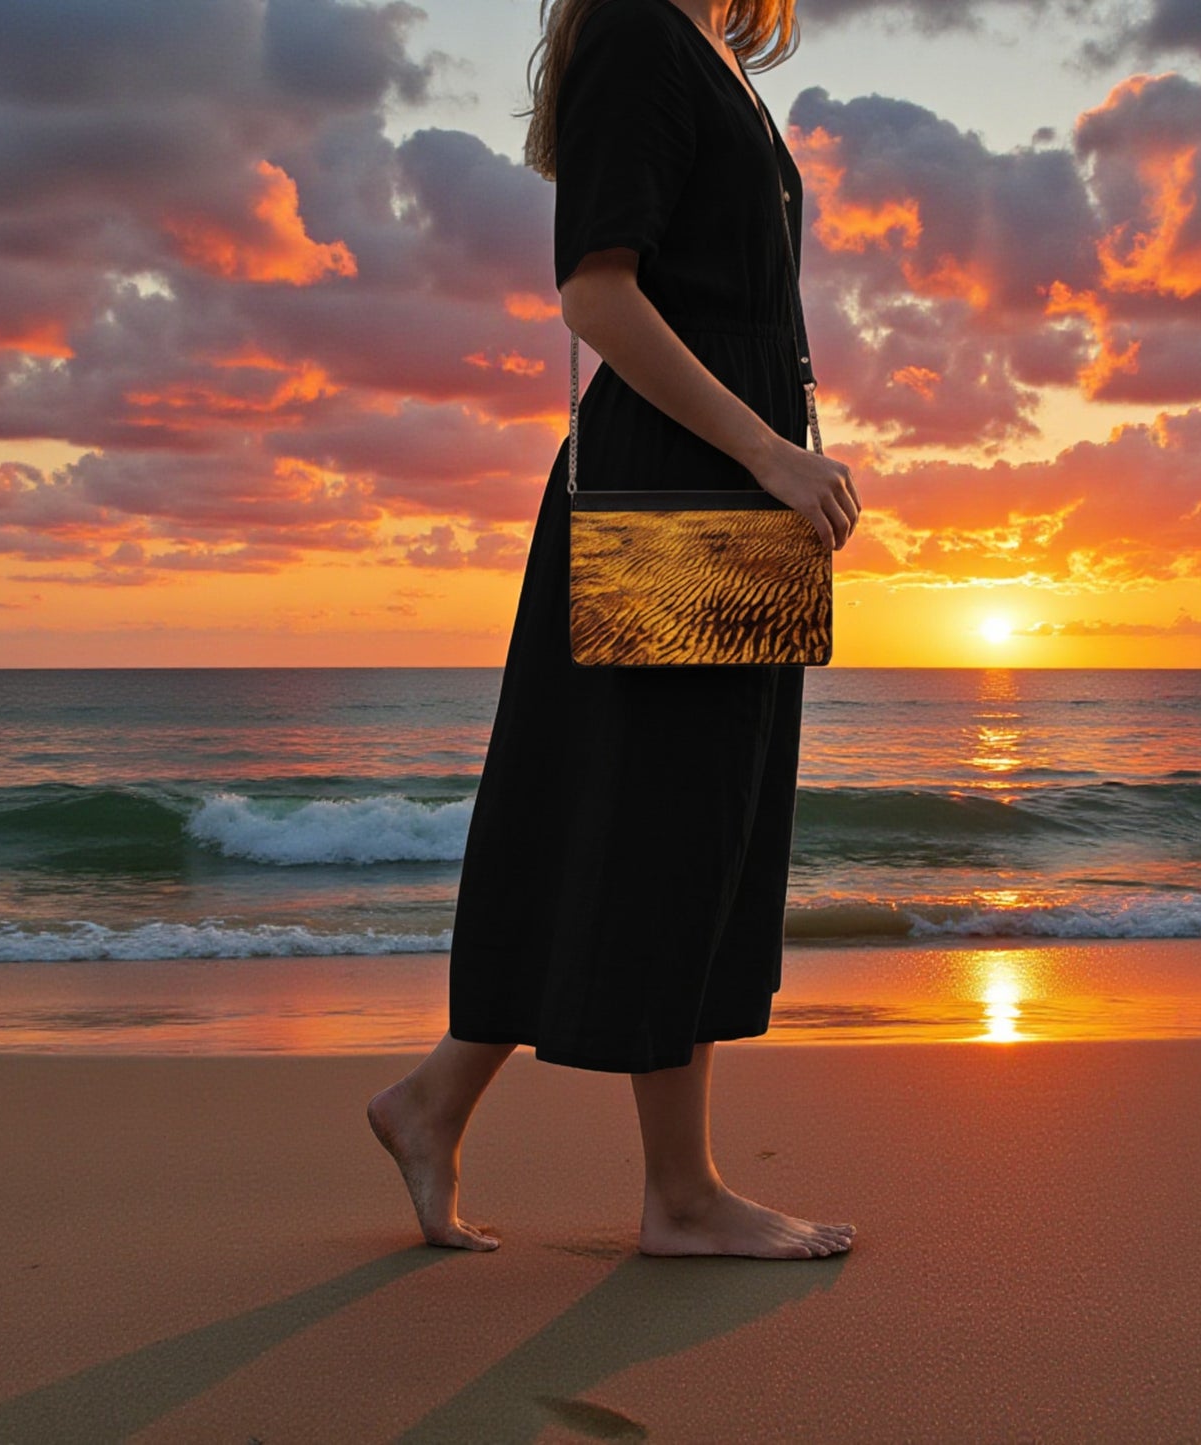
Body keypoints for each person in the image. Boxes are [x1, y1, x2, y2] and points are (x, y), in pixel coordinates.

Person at [368, 0, 861, 1260]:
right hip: (683, 487)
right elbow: (594, 291)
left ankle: (434, 1102)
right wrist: (765, 451)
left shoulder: (709, 53)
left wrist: (776, 461)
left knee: (680, 823)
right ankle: (680, 1194)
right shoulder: (643, 35)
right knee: (672, 828)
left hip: (731, 493)